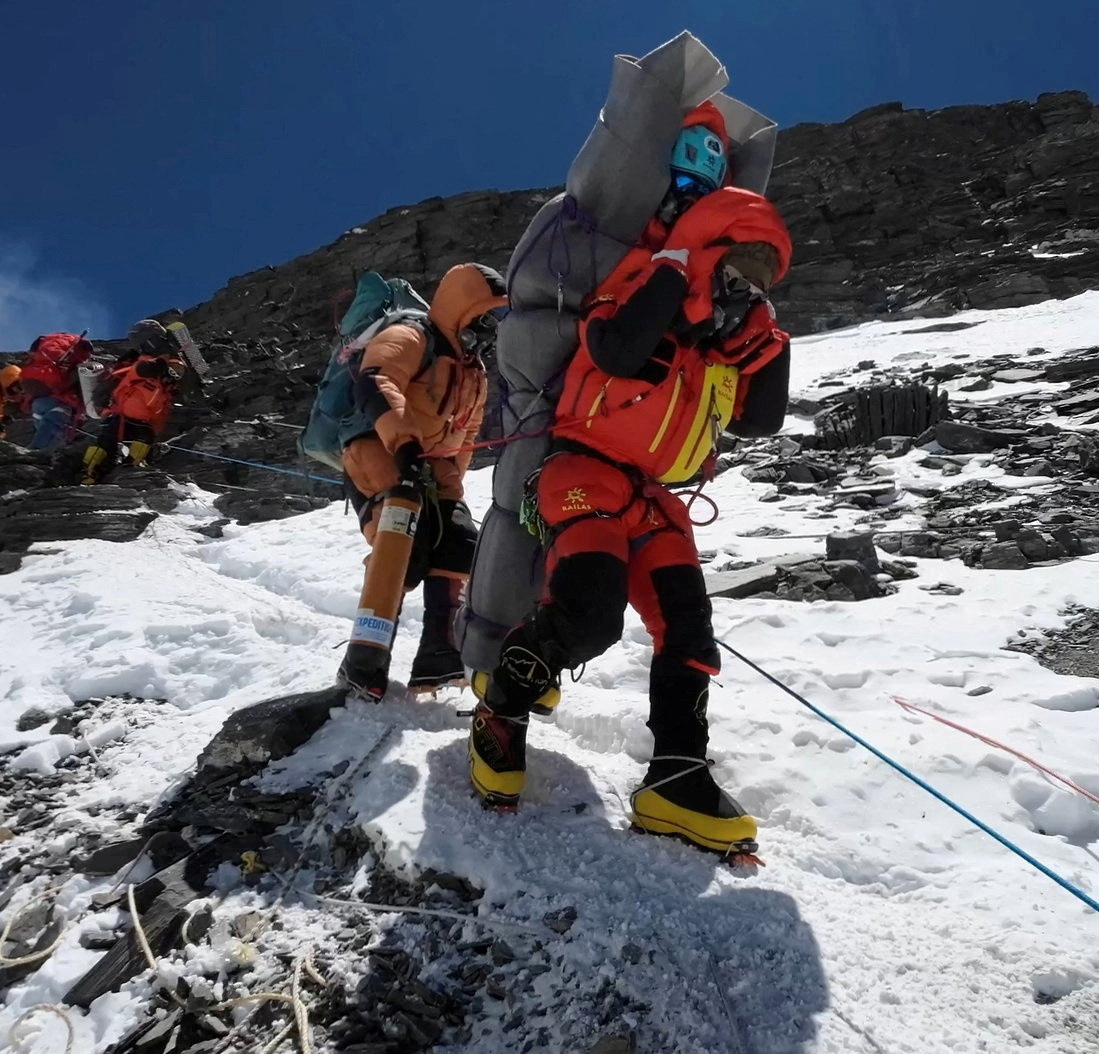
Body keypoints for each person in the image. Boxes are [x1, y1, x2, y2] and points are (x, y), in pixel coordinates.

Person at [468, 153, 794, 858]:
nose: (743, 293)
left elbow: (761, 421)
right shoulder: (641, 286)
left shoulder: (722, 350)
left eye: (758, 285)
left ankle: (675, 778)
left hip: (653, 498)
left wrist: (770, 343)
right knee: (589, 616)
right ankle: (500, 710)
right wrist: (677, 268)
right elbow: (615, 351)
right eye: (735, 273)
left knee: (689, 633)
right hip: (581, 471)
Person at [338, 262, 507, 696]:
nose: (487, 331)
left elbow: (466, 434)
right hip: (379, 450)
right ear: (462, 310)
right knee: (402, 543)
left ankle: (441, 654)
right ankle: (363, 661)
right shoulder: (411, 336)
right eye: (482, 318)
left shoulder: (474, 373)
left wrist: (451, 488)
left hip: (431, 468)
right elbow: (376, 381)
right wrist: (405, 445)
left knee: (459, 542)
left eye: (494, 322)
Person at [80, 320, 186, 484]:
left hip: (137, 415)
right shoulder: (144, 362)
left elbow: (174, 376)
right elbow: (146, 369)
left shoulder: (157, 366)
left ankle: (123, 471)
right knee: (111, 442)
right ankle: (93, 473)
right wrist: (166, 356)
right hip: (128, 414)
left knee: (131, 441)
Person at [17, 332, 94, 450]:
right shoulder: (79, 359)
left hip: (37, 399)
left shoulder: (50, 344)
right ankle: (32, 453)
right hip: (57, 402)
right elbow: (82, 389)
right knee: (49, 438)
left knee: (44, 432)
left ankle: (38, 453)